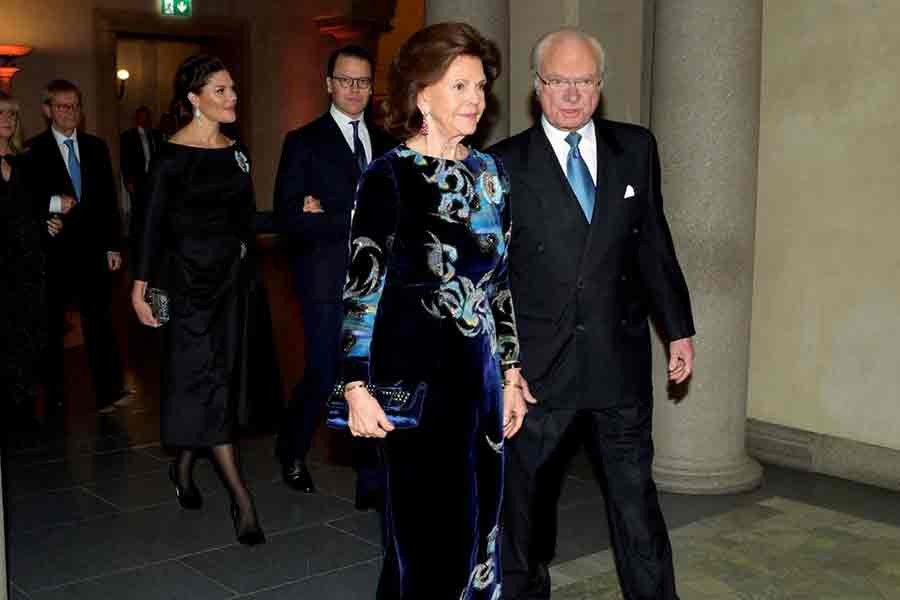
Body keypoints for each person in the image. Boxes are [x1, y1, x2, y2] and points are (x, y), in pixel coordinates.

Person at [489, 28, 696, 599]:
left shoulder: (637, 147)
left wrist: (678, 328)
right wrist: (504, 366)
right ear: (537, 87)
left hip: (617, 363)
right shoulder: (503, 164)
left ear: (600, 87)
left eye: (584, 81)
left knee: (636, 506)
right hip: (536, 374)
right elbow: (494, 279)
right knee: (525, 514)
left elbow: (653, 242)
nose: (572, 94)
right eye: (559, 81)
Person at [339, 22, 529, 598]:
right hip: (415, 381)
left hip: (483, 381)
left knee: (480, 535)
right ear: (423, 94)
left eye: (480, 87)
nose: (476, 100)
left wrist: (514, 372)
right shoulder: (389, 176)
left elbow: (498, 283)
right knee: (423, 540)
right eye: (460, 87)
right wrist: (353, 385)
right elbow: (361, 286)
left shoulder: (491, 175)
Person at [131, 54, 265, 546]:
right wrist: (140, 285)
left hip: (230, 286)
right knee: (204, 380)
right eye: (221, 91)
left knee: (216, 384)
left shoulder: (237, 152)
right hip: (187, 286)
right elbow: (149, 224)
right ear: (194, 99)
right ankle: (242, 500)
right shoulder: (169, 156)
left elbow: (246, 220)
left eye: (233, 89)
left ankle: (183, 469)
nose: (233, 98)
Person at [273, 45, 395, 501]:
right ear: (328, 84)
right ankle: (292, 447)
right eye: (346, 80)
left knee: (372, 375)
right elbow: (288, 216)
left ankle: (371, 476)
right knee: (327, 373)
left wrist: (325, 210)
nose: (354, 89)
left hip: (379, 284)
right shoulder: (303, 141)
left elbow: (395, 212)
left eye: (363, 81)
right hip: (324, 280)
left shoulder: (386, 144)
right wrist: (345, 217)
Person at [27, 79, 127, 419]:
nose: (69, 112)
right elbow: (26, 201)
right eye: (61, 106)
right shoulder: (33, 150)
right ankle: (54, 396)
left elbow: (109, 201)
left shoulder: (96, 147)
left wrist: (114, 245)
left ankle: (109, 392)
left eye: (74, 106)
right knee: (53, 326)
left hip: (94, 251)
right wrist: (47, 215)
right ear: (47, 110)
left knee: (100, 321)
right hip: (55, 253)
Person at [0, 92, 65, 431]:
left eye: (12, 113)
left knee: (28, 339)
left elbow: (32, 211)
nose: (8, 119)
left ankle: (23, 408)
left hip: (29, 268)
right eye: (1, 113)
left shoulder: (22, 164)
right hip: (3, 270)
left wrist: (48, 223)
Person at [120, 105, 162, 255]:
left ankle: (152, 240)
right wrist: (128, 179)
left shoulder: (155, 135)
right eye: (142, 116)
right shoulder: (128, 136)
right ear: (137, 118)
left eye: (147, 116)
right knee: (138, 211)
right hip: (137, 179)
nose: (145, 119)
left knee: (153, 208)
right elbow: (125, 159)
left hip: (153, 179)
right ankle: (136, 242)